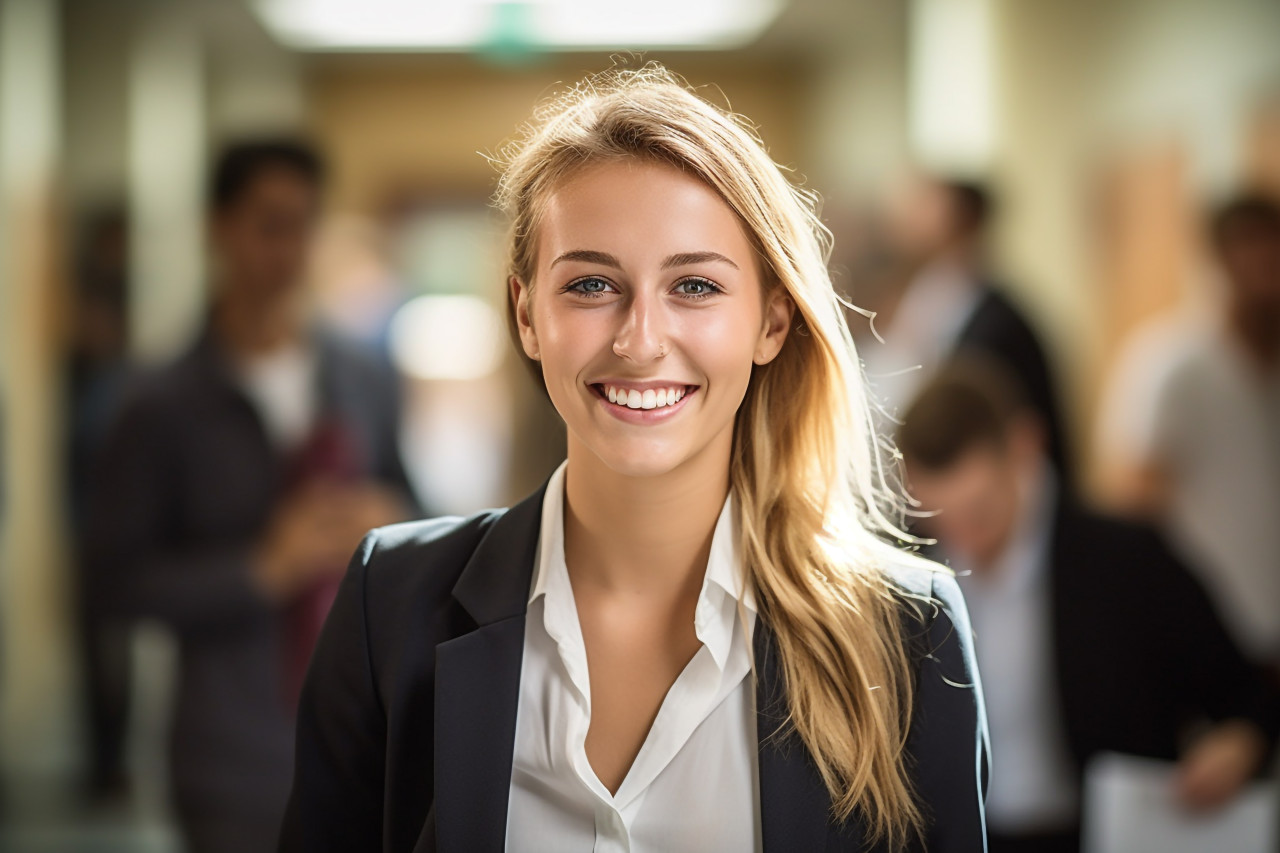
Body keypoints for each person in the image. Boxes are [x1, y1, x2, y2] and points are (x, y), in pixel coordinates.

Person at [280, 64, 988, 853]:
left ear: (773, 322)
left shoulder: (906, 631)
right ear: (526, 314)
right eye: (590, 283)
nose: (640, 340)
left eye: (693, 285)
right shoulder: (391, 606)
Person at [83, 138, 417, 853]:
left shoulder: (364, 376)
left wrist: (389, 523)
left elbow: (417, 510)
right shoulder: (159, 404)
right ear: (220, 228)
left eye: (305, 225)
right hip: (229, 751)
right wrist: (262, 566)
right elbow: (110, 582)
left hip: (364, 728)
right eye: (270, 225)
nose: (290, 250)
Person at [898, 357, 1277, 853]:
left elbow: (1250, 694)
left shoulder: (1127, 561)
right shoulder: (913, 574)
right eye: (940, 524)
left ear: (1025, 447)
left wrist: (1239, 744)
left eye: (979, 513)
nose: (963, 544)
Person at [1095, 193, 1280, 667]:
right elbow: (1134, 506)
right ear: (1220, 259)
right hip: (1209, 634)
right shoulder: (1173, 364)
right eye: (1251, 248)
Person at [866, 177, 1072, 483]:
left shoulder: (1000, 323)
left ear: (960, 221)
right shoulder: (929, 295)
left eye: (926, 207)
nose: (911, 218)